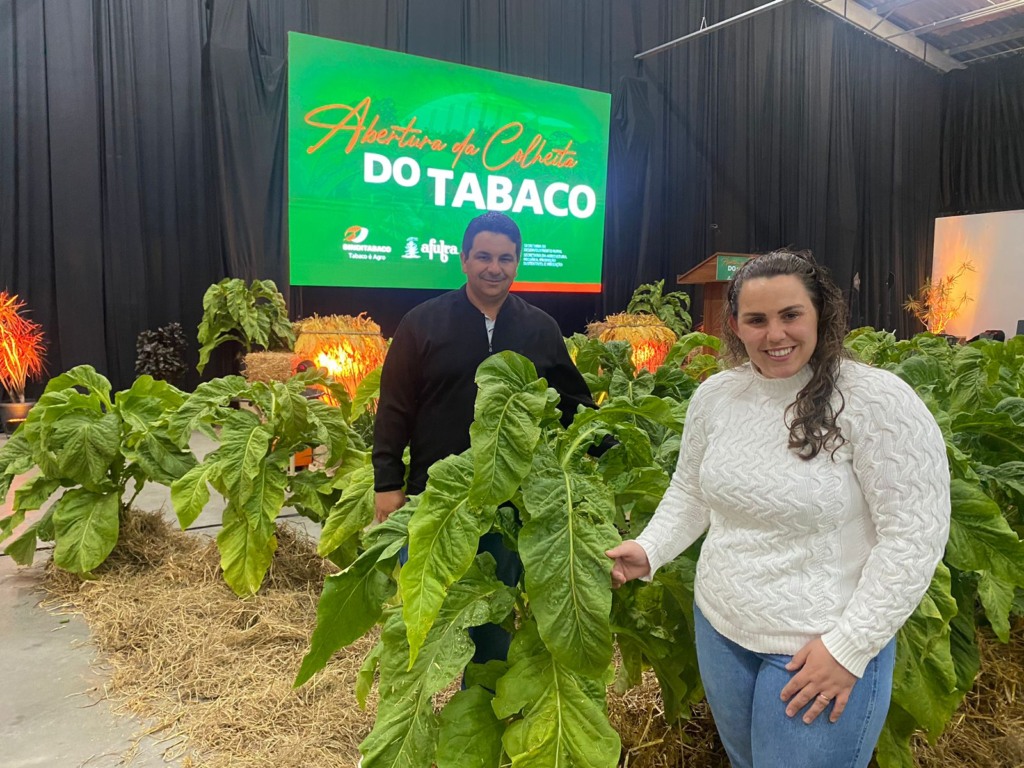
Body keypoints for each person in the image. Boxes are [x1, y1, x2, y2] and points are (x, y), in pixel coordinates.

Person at [606, 249, 950, 768]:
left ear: (820, 315)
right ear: (735, 327)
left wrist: (850, 646)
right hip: (720, 630)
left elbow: (914, 536)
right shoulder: (717, 397)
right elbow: (691, 491)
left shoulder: (876, 401)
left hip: (818, 648)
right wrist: (648, 549)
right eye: (757, 320)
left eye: (791, 315)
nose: (775, 335)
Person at [372, 210, 596, 664]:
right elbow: (395, 407)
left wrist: (606, 447)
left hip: (509, 506)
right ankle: (421, 703)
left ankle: (477, 714)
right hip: (434, 499)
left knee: (493, 618)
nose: (494, 268)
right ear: (464, 259)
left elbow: (575, 403)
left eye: (506, 259)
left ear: (518, 263)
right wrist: (386, 482)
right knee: (423, 619)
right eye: (484, 257)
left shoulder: (540, 327)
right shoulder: (422, 323)